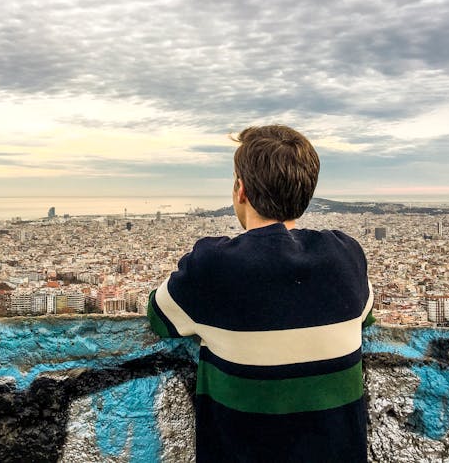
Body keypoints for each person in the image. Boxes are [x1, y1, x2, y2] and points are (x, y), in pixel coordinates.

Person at [147, 125, 375, 462]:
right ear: (306, 191)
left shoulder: (212, 266)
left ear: (241, 190)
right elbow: (365, 318)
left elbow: (158, 316)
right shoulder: (346, 255)